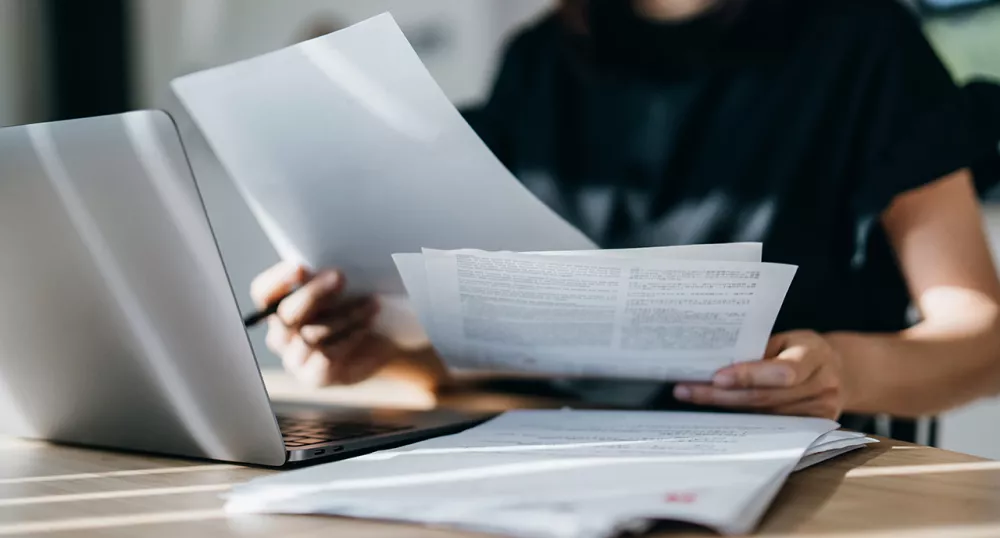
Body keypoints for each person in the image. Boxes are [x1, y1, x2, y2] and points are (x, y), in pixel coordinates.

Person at [251, 0, 1000, 422]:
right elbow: (512, 339)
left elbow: (982, 340)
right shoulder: (539, 61)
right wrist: (383, 347)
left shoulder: (868, 45)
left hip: (798, 481)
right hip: (552, 462)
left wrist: (845, 370)